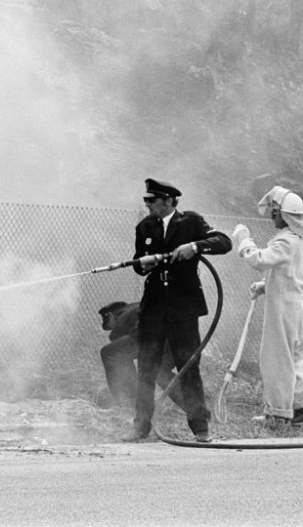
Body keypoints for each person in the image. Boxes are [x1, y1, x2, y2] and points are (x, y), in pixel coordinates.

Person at [125, 179, 232, 443]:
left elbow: (224, 242)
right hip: (153, 308)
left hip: (183, 308)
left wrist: (194, 247)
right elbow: (138, 265)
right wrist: (143, 264)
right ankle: (140, 426)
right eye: (146, 200)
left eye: (152, 200)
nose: (147, 204)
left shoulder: (190, 222)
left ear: (168, 200)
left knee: (188, 365)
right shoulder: (144, 227)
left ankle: (200, 427)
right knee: (146, 367)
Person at [231, 187, 303, 427]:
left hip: (284, 307)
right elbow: (289, 273)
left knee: (277, 357)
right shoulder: (300, 239)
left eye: (275, 211)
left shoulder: (286, 240)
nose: (272, 215)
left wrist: (244, 239)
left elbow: (259, 260)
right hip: (296, 302)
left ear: (287, 214)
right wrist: (265, 285)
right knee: (294, 354)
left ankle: (278, 414)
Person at [99, 300, 185, 411]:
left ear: (110, 315)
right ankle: (196, 407)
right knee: (159, 372)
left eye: (109, 325)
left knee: (110, 353)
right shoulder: (137, 308)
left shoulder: (123, 317)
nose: (112, 329)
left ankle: (129, 405)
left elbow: (121, 357)